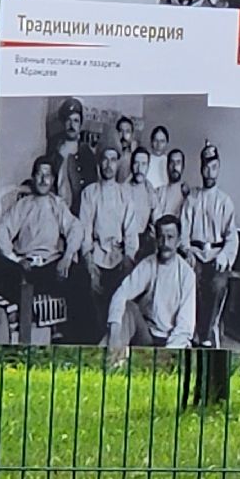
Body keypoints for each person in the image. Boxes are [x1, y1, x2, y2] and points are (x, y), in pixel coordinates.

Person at [0, 155, 85, 338]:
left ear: (53, 180)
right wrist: (16, 259)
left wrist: (67, 257)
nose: (43, 179)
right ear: (33, 178)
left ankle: (74, 339)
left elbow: (76, 229)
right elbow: (1, 233)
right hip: (23, 267)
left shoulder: (57, 205)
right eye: (39, 175)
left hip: (50, 267)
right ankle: (18, 313)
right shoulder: (23, 205)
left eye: (47, 175)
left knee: (80, 275)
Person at [76, 145, 139, 342]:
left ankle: (113, 341)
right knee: (88, 288)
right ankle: (95, 340)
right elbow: (84, 230)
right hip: (96, 256)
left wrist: (128, 259)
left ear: (118, 162)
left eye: (113, 159)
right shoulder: (90, 193)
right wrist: (89, 262)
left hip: (119, 258)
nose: (109, 164)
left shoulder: (125, 194)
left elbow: (130, 232)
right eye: (105, 158)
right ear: (99, 162)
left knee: (120, 297)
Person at [106, 215, 196, 349]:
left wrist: (165, 354)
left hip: (170, 340)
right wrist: (114, 334)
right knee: (129, 307)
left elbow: (185, 326)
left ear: (178, 241)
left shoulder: (187, 274)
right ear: (156, 240)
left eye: (170, 237)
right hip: (146, 334)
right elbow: (121, 293)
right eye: (161, 237)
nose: (165, 243)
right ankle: (114, 357)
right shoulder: (148, 264)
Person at [181, 142, 238, 348]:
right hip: (196, 255)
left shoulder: (225, 201)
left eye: (213, 167)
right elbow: (184, 233)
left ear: (219, 168)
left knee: (217, 284)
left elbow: (232, 237)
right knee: (190, 280)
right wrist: (187, 251)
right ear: (200, 168)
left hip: (216, 256)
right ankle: (192, 331)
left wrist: (222, 258)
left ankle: (207, 334)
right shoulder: (192, 199)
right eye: (206, 167)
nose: (209, 172)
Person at [48, 97, 99, 217]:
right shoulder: (54, 150)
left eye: (76, 121)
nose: (72, 125)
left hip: (80, 213)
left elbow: (92, 187)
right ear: (63, 123)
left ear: (81, 124)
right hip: (57, 211)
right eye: (68, 120)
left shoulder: (87, 153)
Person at [126, 147, 158, 256]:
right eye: (136, 163)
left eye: (144, 164)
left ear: (148, 167)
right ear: (131, 165)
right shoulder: (122, 191)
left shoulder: (151, 191)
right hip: (124, 244)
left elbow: (154, 222)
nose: (140, 168)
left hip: (144, 245)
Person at [155, 148, 189, 221]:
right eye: (172, 162)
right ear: (167, 166)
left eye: (178, 162)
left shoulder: (187, 194)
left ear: (183, 167)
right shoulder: (159, 192)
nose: (175, 166)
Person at [145, 126, 172, 191]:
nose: (158, 144)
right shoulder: (145, 160)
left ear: (167, 143)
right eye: (155, 141)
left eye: (162, 141)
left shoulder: (170, 162)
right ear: (151, 142)